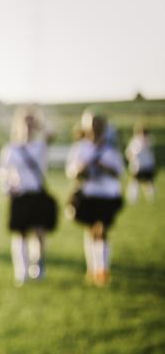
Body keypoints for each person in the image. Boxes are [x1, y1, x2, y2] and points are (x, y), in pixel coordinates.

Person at [0, 107, 57, 286]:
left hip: (37, 193)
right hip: (20, 195)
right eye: (26, 123)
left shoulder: (40, 146)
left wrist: (41, 123)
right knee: (20, 234)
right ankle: (21, 271)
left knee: (39, 233)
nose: (28, 127)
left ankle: (38, 267)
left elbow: (52, 134)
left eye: (31, 123)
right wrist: (7, 187)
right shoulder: (11, 148)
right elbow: (1, 171)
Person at [65, 111, 124, 286]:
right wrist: (81, 170)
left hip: (107, 194)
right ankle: (92, 267)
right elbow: (71, 172)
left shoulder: (111, 148)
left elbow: (119, 171)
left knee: (102, 229)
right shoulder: (80, 148)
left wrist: (104, 167)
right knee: (91, 230)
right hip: (88, 194)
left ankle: (102, 269)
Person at [125, 125, 156, 203]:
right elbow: (129, 153)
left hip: (146, 165)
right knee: (136, 181)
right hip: (138, 165)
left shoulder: (148, 141)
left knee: (148, 181)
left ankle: (151, 198)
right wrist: (132, 160)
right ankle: (133, 198)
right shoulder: (135, 141)